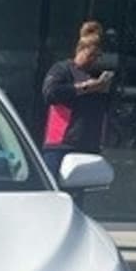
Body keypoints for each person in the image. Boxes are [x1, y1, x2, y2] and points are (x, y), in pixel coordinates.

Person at [40, 24, 114, 183]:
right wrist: (85, 87)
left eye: (98, 56)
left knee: (79, 192)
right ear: (81, 49)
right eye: (91, 54)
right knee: (51, 188)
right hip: (60, 144)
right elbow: (50, 93)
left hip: (87, 145)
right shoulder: (62, 69)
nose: (93, 60)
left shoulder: (95, 75)